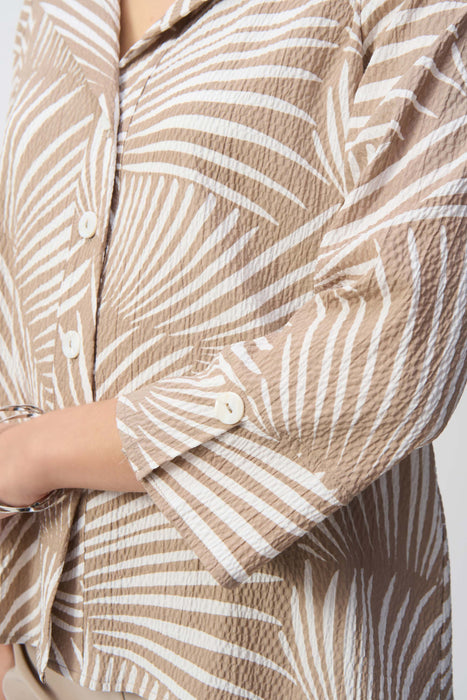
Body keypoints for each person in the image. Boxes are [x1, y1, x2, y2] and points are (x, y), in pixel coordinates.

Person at [0, 0, 466, 697]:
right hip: (40, 653)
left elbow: (396, 346)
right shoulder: (52, 12)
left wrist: (37, 453)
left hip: (266, 655)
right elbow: (22, 277)